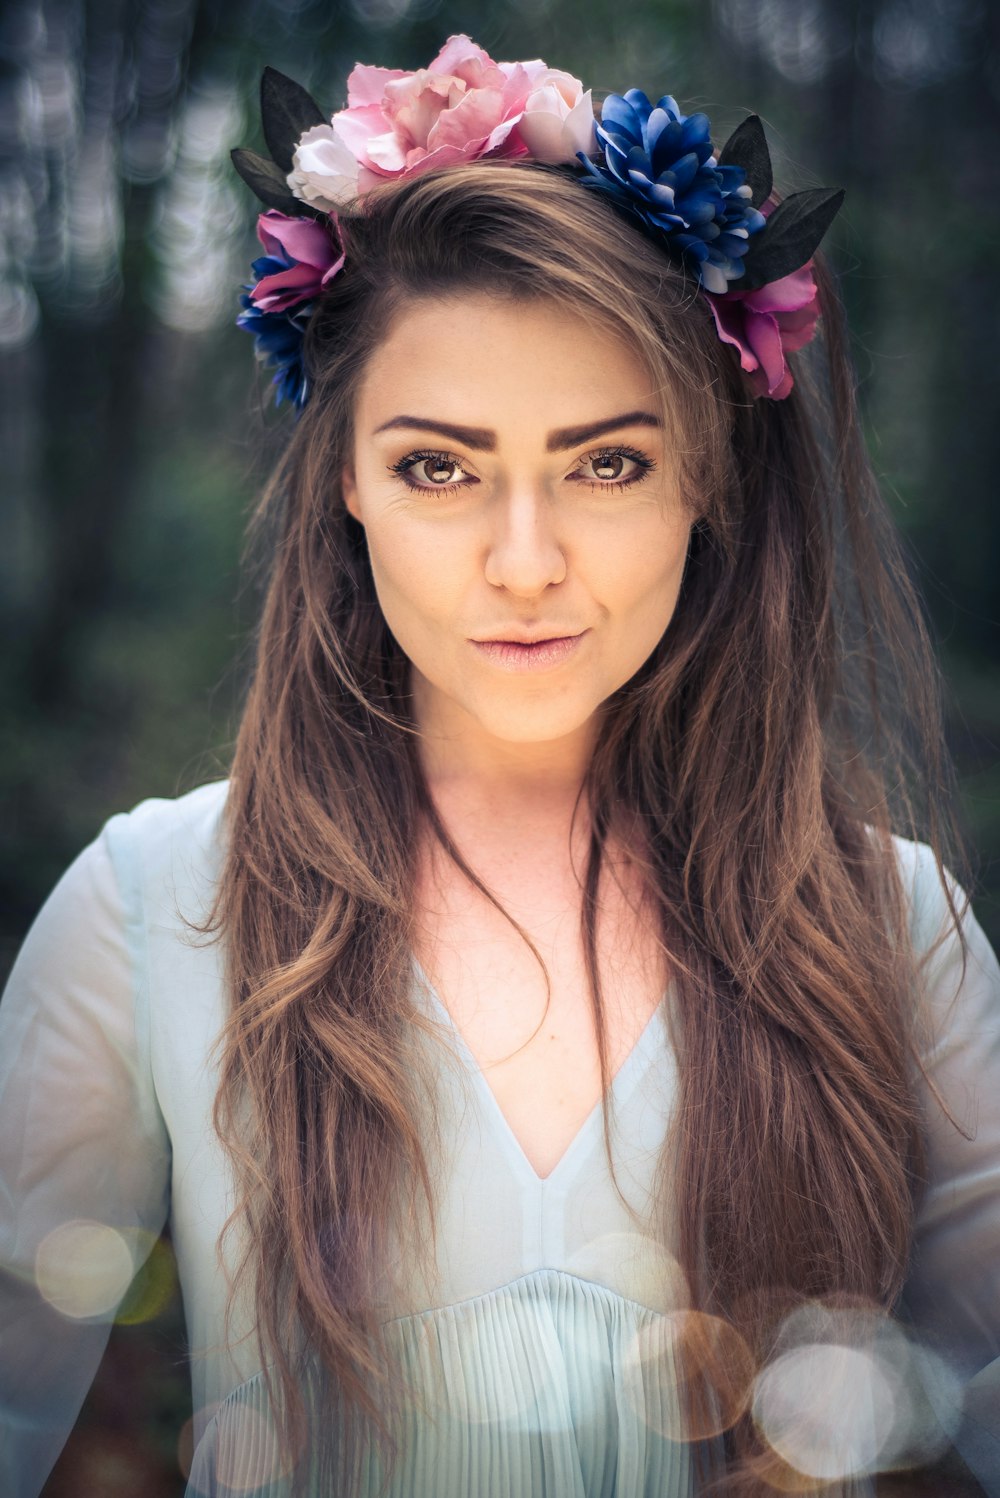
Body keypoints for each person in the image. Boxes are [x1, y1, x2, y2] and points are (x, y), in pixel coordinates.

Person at [1, 32, 998, 1498]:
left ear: (707, 478)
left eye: (607, 463)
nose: (523, 563)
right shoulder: (153, 910)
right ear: (344, 475)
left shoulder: (889, 927)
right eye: (438, 467)